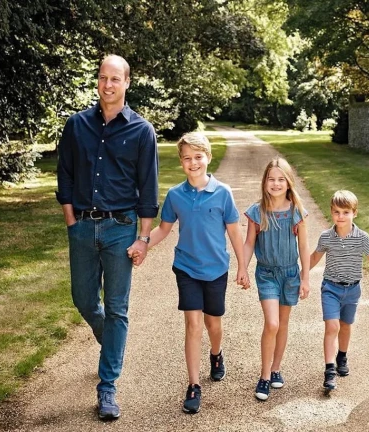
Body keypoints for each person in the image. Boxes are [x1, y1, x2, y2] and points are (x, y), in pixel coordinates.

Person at [56, 54, 159, 420]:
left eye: (115, 79)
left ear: (127, 83)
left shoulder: (142, 131)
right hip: (82, 226)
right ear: (97, 81)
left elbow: (148, 189)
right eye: (103, 78)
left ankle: (107, 388)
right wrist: (71, 221)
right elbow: (64, 176)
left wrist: (143, 238)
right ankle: (110, 345)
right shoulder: (76, 125)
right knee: (84, 300)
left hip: (120, 229)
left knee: (117, 308)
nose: (108, 85)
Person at [130, 132, 249, 414]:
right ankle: (194, 385)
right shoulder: (175, 195)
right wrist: (142, 244)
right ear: (181, 162)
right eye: (187, 158)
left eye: (198, 157)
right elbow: (164, 229)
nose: (193, 163)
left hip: (216, 268)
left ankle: (216, 354)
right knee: (193, 326)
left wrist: (243, 266)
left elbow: (234, 231)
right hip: (186, 268)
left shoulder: (223, 193)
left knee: (213, 324)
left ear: (208, 157)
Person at [310, 190, 369, 392]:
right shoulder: (326, 237)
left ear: (354, 213)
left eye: (345, 212)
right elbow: (314, 258)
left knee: (345, 326)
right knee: (332, 326)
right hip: (330, 288)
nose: (340, 217)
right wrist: (301, 275)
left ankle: (342, 355)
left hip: (352, 290)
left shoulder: (362, 238)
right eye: (336, 212)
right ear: (331, 212)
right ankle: (329, 370)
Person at [243, 157, 310, 401]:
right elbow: (249, 242)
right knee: (271, 323)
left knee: (282, 323)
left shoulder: (296, 212)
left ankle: (276, 368)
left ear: (289, 183)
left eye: (281, 179)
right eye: (271, 179)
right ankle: (263, 376)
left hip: (291, 274)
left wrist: (305, 278)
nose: (276, 183)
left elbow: (303, 246)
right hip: (267, 274)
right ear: (264, 182)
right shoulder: (257, 211)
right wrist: (242, 267)